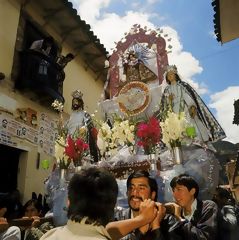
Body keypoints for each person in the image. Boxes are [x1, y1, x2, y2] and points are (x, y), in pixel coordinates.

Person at [40, 167, 158, 240]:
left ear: (69, 202)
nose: (135, 192)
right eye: (131, 188)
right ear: (112, 207)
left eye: (141, 188)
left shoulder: (49, 236)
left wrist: (141, 220)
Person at [159, 65, 226, 144]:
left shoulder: (182, 85)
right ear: (167, 78)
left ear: (175, 75)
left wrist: (192, 106)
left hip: (184, 107)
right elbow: (164, 104)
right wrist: (169, 100)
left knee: (189, 122)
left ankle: (194, 140)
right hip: (173, 110)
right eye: (168, 75)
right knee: (177, 126)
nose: (170, 76)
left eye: (172, 74)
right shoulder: (167, 89)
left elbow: (187, 95)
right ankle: (182, 142)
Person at [115, 170, 171, 240]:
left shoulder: (169, 222)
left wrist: (156, 227)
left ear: (153, 195)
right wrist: (141, 230)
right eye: (131, 188)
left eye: (141, 188)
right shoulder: (117, 219)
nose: (134, 193)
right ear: (127, 193)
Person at [167, 173, 218, 240]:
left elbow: (205, 237)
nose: (175, 194)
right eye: (173, 191)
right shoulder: (174, 213)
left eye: (179, 189)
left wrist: (179, 219)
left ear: (192, 191)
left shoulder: (207, 207)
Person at [64, 90, 99, 162]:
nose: (75, 103)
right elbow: (67, 129)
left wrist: (84, 129)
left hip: (82, 142)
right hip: (71, 144)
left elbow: (90, 127)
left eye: (76, 101)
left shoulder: (85, 114)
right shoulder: (71, 117)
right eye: (73, 102)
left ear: (80, 102)